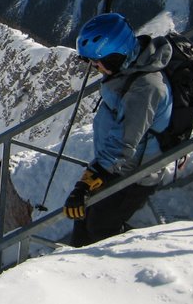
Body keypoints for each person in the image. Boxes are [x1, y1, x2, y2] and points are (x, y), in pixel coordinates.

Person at [66, 13, 172, 247]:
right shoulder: (132, 66)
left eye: (98, 61)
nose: (95, 67)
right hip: (116, 165)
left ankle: (118, 270)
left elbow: (124, 141)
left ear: (116, 56)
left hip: (135, 173)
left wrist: (88, 182)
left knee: (100, 227)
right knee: (84, 218)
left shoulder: (144, 89)